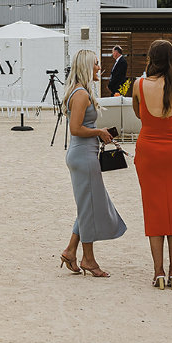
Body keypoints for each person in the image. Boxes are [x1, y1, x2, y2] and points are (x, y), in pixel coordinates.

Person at [57, 49, 126, 278]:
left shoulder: (80, 91)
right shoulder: (81, 94)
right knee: (89, 206)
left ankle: (70, 251)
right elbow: (75, 129)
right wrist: (99, 131)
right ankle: (88, 259)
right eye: (96, 64)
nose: (99, 67)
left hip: (84, 154)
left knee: (88, 204)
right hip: (83, 155)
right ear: (87, 66)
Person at [132, 39, 172, 289]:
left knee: (154, 209)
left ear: (151, 59)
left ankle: (158, 272)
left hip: (148, 151)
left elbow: (138, 113)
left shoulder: (140, 84)